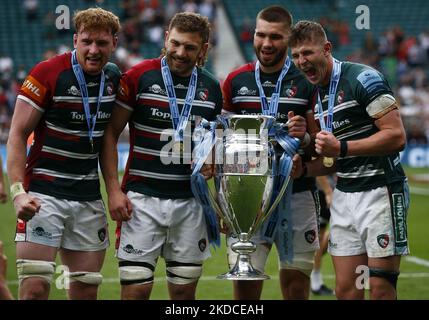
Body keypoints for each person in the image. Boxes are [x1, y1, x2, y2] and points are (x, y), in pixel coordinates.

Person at [100, 12, 222, 300]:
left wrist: (215, 172)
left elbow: (214, 145)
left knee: (182, 295)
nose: (180, 52)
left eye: (190, 47)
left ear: (203, 49)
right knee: (135, 292)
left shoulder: (212, 88)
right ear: (166, 37)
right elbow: (110, 133)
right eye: (175, 43)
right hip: (142, 201)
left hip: (191, 204)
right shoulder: (138, 77)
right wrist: (114, 191)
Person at [289, 20, 410, 300]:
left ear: (327, 48)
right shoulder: (316, 95)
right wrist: (305, 168)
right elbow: (331, 160)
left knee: (380, 289)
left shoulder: (364, 78)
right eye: (295, 56)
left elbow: (397, 136)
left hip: (381, 192)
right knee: (347, 291)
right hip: (345, 195)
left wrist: (341, 147)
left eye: (307, 53)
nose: (301, 61)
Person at [6, 8, 121, 300]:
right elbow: (17, 134)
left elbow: (108, 137)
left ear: (114, 44)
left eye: (102, 43)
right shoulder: (47, 72)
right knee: (34, 289)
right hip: (44, 197)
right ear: (75, 40)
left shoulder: (114, 79)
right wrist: (19, 192)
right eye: (86, 42)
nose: (93, 50)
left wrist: (114, 191)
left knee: (85, 291)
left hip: (87, 199)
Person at [222, 5, 320, 300]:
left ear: (289, 39)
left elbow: (321, 144)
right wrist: (224, 203)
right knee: (246, 286)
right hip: (247, 200)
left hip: (298, 194)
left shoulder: (307, 81)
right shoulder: (235, 81)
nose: (266, 43)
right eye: (260, 35)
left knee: (296, 286)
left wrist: (304, 137)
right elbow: (222, 144)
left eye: (275, 37)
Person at [310, 175, 335, 296]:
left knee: (324, 237)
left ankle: (314, 279)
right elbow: (318, 162)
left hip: (333, 191)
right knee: (317, 239)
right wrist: (328, 191)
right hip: (321, 192)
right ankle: (316, 283)